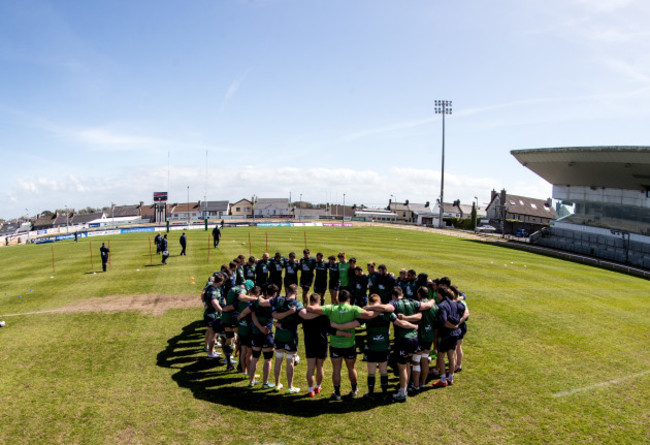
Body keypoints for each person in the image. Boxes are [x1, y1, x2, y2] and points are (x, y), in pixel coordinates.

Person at [332, 293, 417, 401]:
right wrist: (414, 326)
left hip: (371, 346)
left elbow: (353, 324)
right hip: (384, 346)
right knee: (383, 370)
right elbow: (400, 323)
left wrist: (337, 326)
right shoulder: (388, 313)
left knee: (371, 371)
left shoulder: (367, 314)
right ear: (380, 303)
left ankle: (371, 394)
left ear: (370, 303)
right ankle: (385, 393)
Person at [307, 289, 375, 400]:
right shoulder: (354, 309)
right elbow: (369, 315)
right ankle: (354, 390)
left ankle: (337, 393)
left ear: (338, 299)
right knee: (351, 368)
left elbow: (311, 308)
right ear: (349, 299)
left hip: (335, 345)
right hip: (349, 345)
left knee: (336, 370)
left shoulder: (331, 308)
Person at [298, 293, 345, 397]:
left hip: (309, 342)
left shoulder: (305, 313)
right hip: (322, 342)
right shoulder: (324, 314)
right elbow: (331, 329)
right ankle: (318, 387)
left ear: (310, 301)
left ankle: (310, 390)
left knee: (310, 367)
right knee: (320, 366)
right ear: (319, 301)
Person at [264, 284, 303, 393]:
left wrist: (279, 325)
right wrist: (289, 313)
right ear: (296, 293)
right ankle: (290, 387)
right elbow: (302, 317)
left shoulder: (279, 301)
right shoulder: (297, 303)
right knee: (290, 361)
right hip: (290, 337)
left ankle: (277, 384)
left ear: (287, 291)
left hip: (279, 336)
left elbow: (275, 315)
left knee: (278, 360)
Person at [240, 284, 279, 388]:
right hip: (267, 334)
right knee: (268, 359)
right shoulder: (275, 303)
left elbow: (248, 312)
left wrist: (239, 317)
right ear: (275, 293)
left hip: (256, 333)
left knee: (255, 357)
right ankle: (265, 383)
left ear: (266, 292)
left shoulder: (257, 302)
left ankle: (251, 381)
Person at [431, 287, 466, 388]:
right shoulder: (454, 303)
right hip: (455, 334)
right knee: (451, 356)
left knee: (441, 357)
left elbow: (443, 321)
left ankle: (442, 380)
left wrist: (452, 326)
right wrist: (456, 325)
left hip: (445, 334)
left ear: (440, 294)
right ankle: (450, 378)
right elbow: (462, 309)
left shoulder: (442, 305)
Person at [221, 279, 256, 371]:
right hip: (233, 317)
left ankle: (228, 362)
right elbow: (241, 297)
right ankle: (241, 366)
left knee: (228, 339)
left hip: (226, 317)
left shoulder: (234, 288)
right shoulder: (242, 290)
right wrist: (255, 298)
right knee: (241, 340)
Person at [202, 274, 225, 358]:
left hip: (210, 313)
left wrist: (204, 303)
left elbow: (203, 295)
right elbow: (215, 303)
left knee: (210, 332)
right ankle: (210, 352)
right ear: (220, 281)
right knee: (213, 334)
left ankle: (212, 350)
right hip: (212, 314)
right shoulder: (213, 290)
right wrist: (222, 311)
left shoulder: (210, 287)